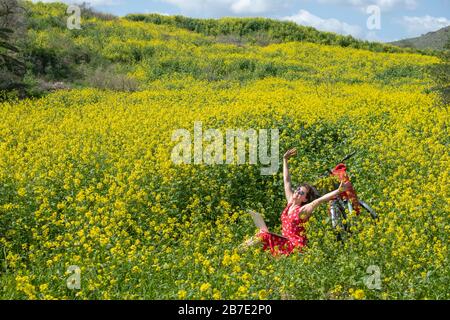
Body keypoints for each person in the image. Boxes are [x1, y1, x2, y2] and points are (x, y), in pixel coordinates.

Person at [243, 148, 351, 255]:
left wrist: (338, 190)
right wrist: (284, 159)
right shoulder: (290, 202)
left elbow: (319, 200)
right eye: (298, 189)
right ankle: (241, 252)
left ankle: (239, 251)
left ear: (305, 199)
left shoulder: (302, 211)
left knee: (264, 236)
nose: (298, 192)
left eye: (302, 193)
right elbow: (287, 181)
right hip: (285, 242)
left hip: (295, 247)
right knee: (262, 234)